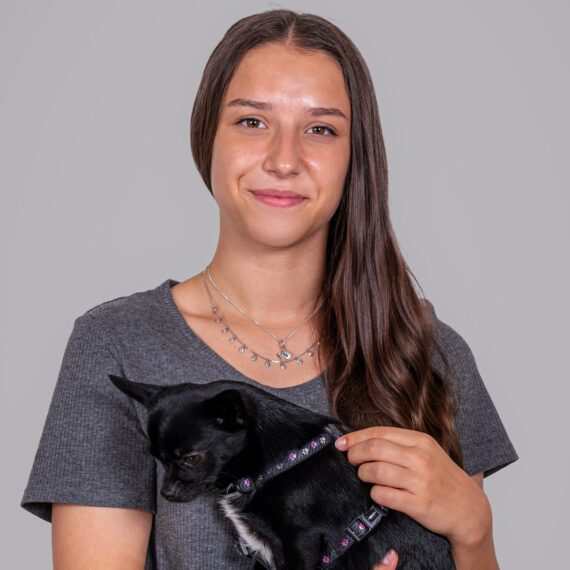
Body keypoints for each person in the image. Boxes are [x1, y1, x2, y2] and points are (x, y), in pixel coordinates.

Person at [20, 8, 519, 569]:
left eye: (320, 129)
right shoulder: (118, 345)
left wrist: (474, 530)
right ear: (207, 136)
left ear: (354, 156)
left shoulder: (426, 351)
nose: (284, 159)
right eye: (252, 121)